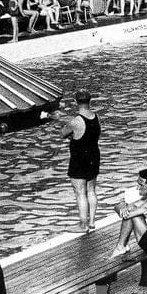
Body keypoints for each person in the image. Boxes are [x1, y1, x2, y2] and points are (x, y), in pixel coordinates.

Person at [56, 89, 101, 232]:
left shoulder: (76, 121)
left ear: (76, 102)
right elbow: (92, 135)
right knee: (91, 190)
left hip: (79, 158)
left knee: (80, 192)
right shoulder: (96, 117)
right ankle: (92, 222)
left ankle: (83, 225)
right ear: (90, 101)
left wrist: (59, 121)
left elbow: (62, 134)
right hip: (94, 156)